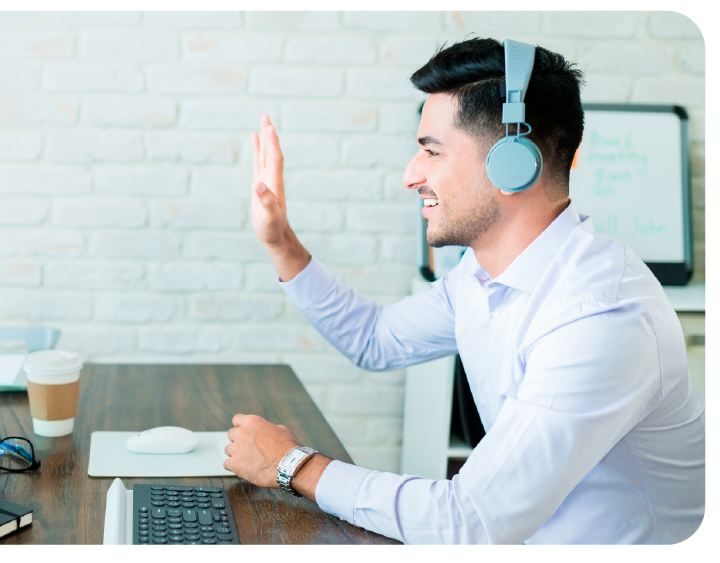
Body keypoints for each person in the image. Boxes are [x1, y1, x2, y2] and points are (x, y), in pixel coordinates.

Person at [223, 38, 706, 544]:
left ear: (511, 164)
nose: (412, 175)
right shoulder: (481, 274)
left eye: (431, 151)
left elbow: (470, 521)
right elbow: (376, 339)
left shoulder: (600, 316)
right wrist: (282, 244)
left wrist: (292, 465)